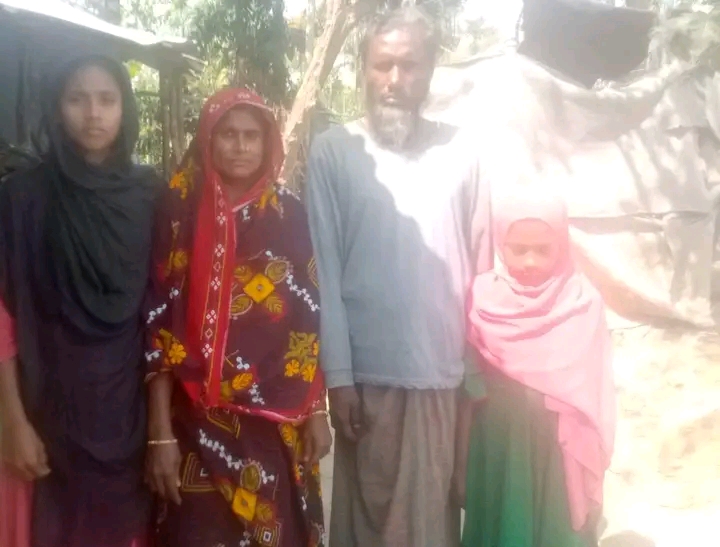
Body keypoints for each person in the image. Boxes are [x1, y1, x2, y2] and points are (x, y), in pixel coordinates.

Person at [305, 6, 492, 547]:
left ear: (430, 71)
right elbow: (324, 271)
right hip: (366, 384)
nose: (393, 79)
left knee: (430, 526)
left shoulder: (464, 151)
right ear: (362, 69)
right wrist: (339, 378)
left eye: (409, 65)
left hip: (443, 378)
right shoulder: (334, 152)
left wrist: (476, 378)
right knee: (366, 527)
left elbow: (482, 267)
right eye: (382, 64)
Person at [144, 88, 332, 547]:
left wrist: (315, 410)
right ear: (208, 138)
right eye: (228, 133)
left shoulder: (289, 214)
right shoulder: (178, 208)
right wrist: (159, 434)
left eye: (252, 135)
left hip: (275, 424)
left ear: (269, 142)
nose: (241, 145)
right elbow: (158, 317)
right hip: (194, 419)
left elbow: (309, 319)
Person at [0, 55, 159, 547]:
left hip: (129, 416)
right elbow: (3, 316)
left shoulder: (151, 195)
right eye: (77, 99)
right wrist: (11, 420)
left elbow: (165, 310)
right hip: (45, 414)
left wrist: (163, 429)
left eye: (107, 99)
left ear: (125, 108)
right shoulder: (22, 197)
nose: (93, 113)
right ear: (56, 107)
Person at [456, 186, 616, 547]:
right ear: (501, 244)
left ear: (562, 245)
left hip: (560, 447)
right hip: (497, 442)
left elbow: (594, 389)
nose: (530, 261)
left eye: (543, 250)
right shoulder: (483, 297)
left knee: (555, 530)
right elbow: (471, 380)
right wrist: (461, 462)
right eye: (519, 249)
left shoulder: (582, 301)